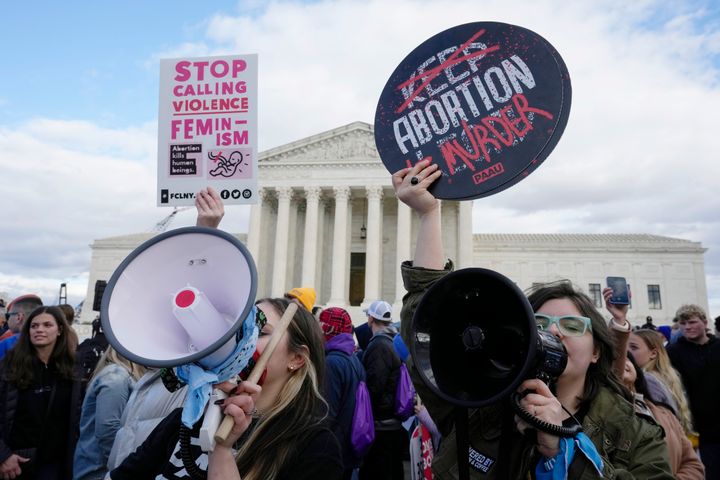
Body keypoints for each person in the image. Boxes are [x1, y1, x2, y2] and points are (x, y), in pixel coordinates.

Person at [394, 160, 672, 478]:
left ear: (597, 350)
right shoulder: (479, 404)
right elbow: (428, 324)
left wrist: (564, 447)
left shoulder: (633, 430)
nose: (553, 331)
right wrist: (429, 215)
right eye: (539, 324)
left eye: (571, 325)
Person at [109, 298, 342, 480]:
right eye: (240, 331)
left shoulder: (316, 447)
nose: (243, 342)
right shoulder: (187, 420)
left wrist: (222, 450)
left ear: (297, 358)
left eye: (260, 333)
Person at [0, 305, 83, 479]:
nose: (40, 330)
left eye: (47, 325)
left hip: (55, 465)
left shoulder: (71, 369)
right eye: (34, 326)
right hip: (15, 464)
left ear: (59, 330)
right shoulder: (9, 366)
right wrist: (3, 455)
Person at [621, 353, 704, 479]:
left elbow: (693, 463)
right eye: (614, 360)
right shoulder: (603, 416)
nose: (623, 362)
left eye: (627, 358)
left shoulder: (665, 413)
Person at [73, 346, 147, 480]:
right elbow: (108, 430)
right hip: (99, 471)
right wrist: (124, 468)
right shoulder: (116, 377)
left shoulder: (118, 374)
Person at [667, 303, 720, 478]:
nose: (687, 327)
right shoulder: (673, 351)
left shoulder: (718, 346)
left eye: (692, 322)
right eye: (683, 324)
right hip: (696, 426)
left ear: (705, 323)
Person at [359, 299, 406, 480]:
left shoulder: (379, 345)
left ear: (371, 318)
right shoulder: (393, 341)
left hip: (381, 425)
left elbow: (375, 387)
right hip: (391, 422)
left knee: (379, 471)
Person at [319, 307, 366, 479]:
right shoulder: (351, 358)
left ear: (328, 328)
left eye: (320, 324)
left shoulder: (332, 362)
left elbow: (326, 412)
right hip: (346, 446)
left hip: (331, 449)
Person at [629, 329, 694, 435]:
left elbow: (653, 423)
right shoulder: (662, 375)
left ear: (653, 353)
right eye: (626, 346)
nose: (627, 352)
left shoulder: (648, 380)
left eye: (634, 347)